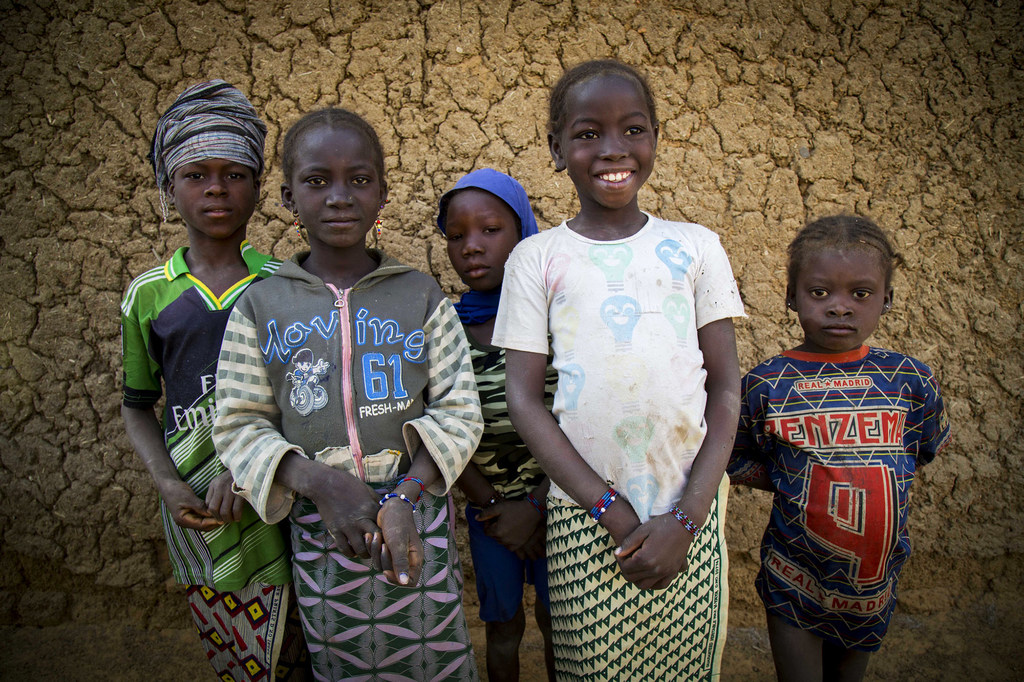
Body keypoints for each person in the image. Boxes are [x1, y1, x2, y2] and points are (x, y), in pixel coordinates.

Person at [493, 59, 746, 680]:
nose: (613, 150)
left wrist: (687, 518)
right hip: (587, 518)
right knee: (591, 668)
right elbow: (524, 400)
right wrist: (608, 508)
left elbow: (726, 385)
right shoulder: (537, 259)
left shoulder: (696, 246)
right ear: (556, 148)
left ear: (655, 138)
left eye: (633, 130)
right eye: (587, 134)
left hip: (692, 513)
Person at [212, 107, 483, 681]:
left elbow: (460, 409)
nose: (339, 197)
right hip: (318, 518)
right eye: (317, 181)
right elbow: (238, 422)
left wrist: (406, 496)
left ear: (382, 193)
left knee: (430, 653)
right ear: (287, 197)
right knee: (343, 658)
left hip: (418, 510)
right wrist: (321, 482)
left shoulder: (420, 294)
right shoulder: (261, 307)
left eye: (359, 180)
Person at [120, 80, 307, 681]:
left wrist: (252, 469)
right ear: (168, 187)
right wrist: (169, 485)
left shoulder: (286, 285)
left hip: (279, 491)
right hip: (196, 504)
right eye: (196, 174)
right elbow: (137, 404)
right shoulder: (149, 295)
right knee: (235, 651)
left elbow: (309, 396)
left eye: (234, 173)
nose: (216, 189)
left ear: (257, 186)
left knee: (298, 644)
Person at [727, 215, 951, 682]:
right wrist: (799, 479)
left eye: (861, 294)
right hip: (794, 577)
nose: (840, 308)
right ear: (791, 296)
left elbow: (921, 450)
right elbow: (733, 453)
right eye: (820, 292)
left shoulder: (911, 381)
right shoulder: (768, 384)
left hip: (873, 584)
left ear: (887, 299)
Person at [437, 168, 557, 681]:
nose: (472, 247)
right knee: (502, 630)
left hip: (564, 507)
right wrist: (493, 506)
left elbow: (587, 420)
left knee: (564, 627)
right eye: (456, 236)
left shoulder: (558, 320)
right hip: (490, 515)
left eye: (490, 230)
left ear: (523, 232)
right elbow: (438, 426)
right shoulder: (444, 329)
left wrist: (537, 505)